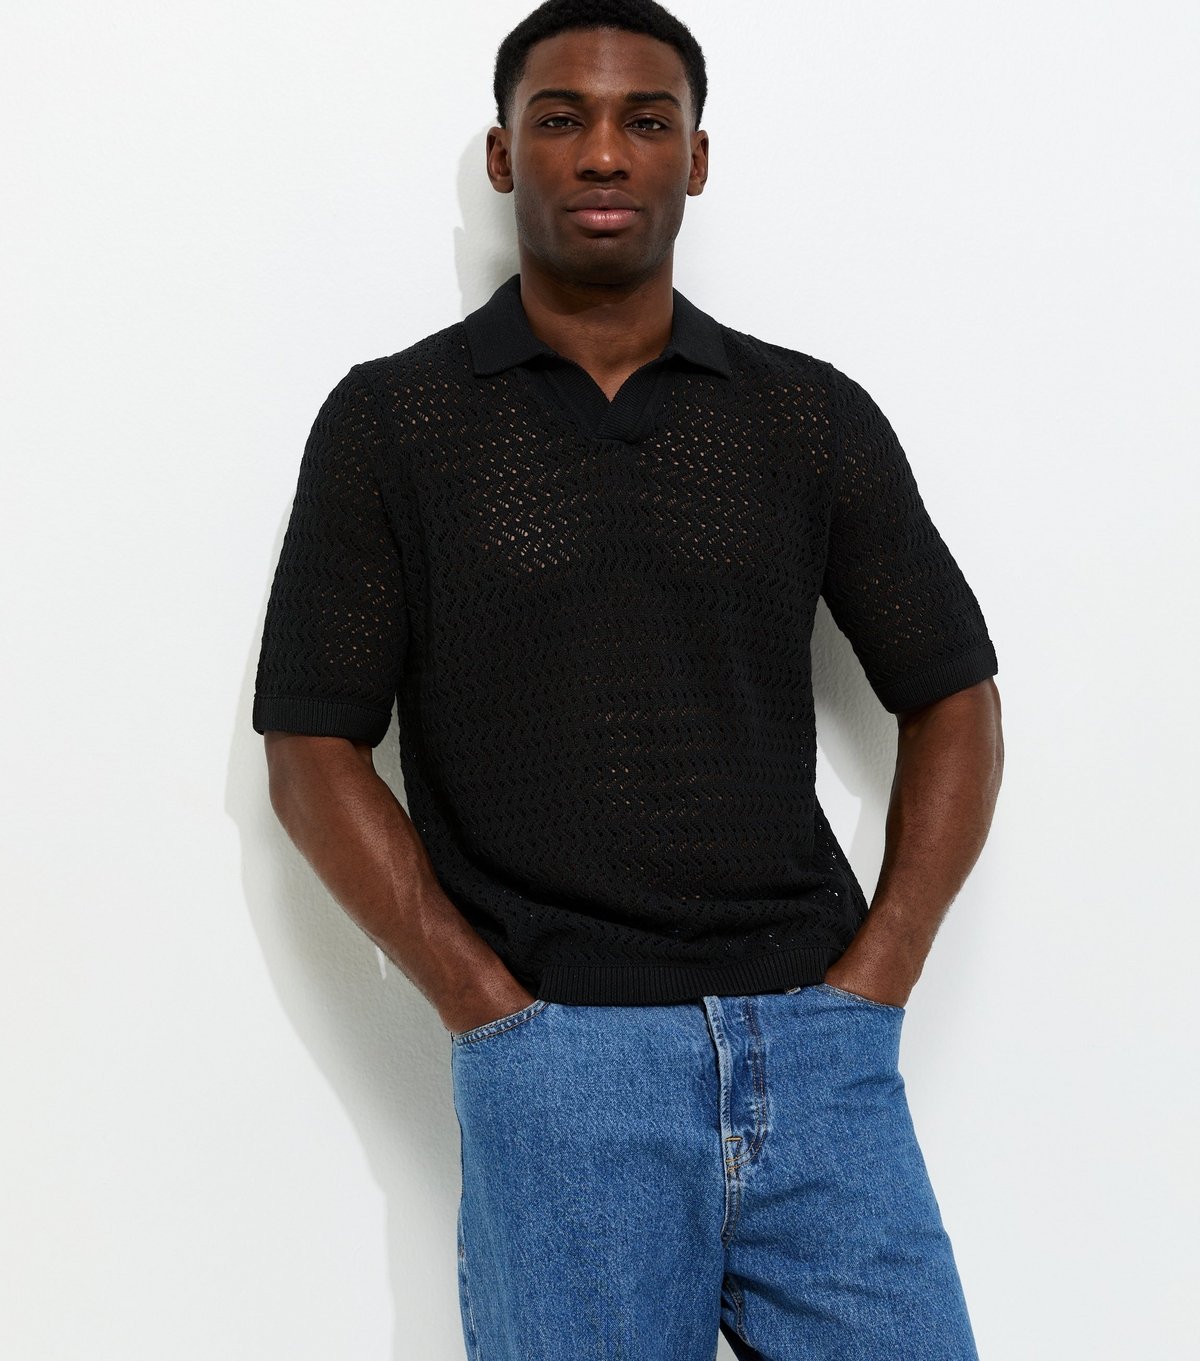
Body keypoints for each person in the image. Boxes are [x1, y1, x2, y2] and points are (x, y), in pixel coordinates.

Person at [252, 1, 1004, 1355]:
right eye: (562, 118)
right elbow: (311, 746)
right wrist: (486, 1009)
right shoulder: (394, 421)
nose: (604, 152)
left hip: (816, 1054)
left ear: (695, 159)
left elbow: (954, 691)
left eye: (646, 121)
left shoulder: (805, 413)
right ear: (503, 155)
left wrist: (879, 976)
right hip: (562, 1069)